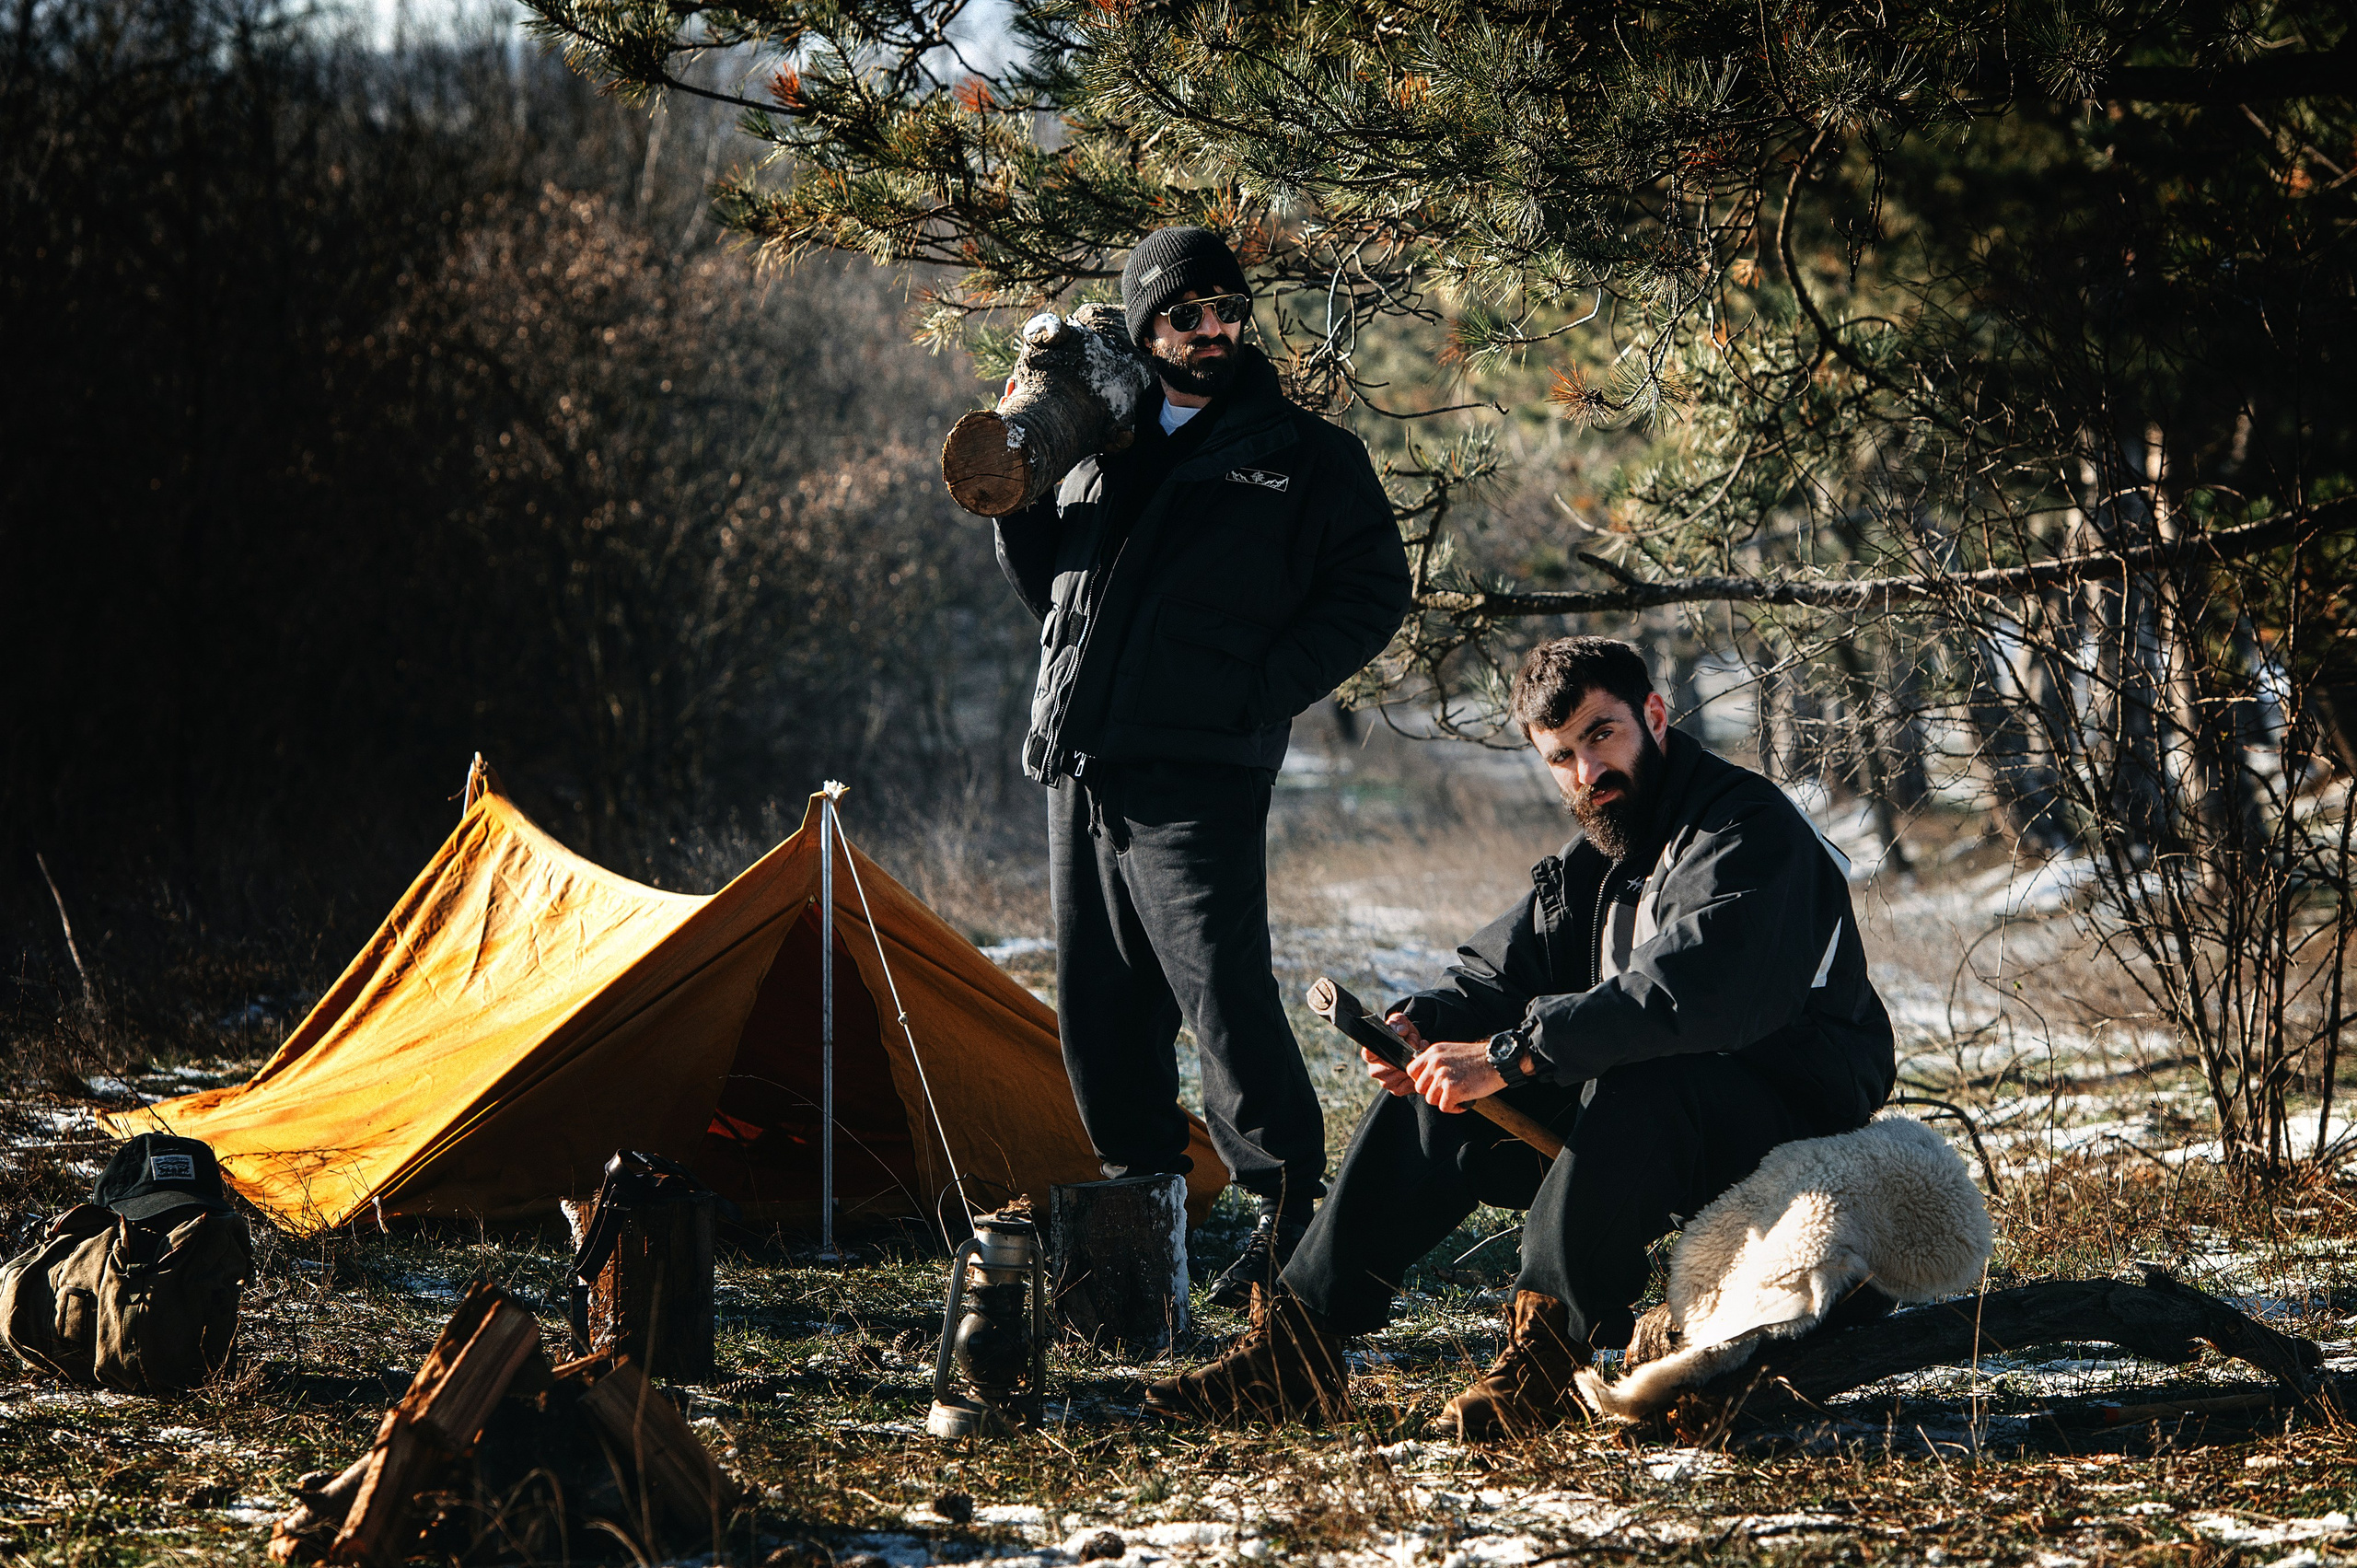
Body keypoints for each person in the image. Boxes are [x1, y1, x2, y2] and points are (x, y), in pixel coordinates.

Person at [1144, 636, 1898, 1434]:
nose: (1585, 773)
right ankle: (1299, 1350)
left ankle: (1546, 1355)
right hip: (1670, 1132)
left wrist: (1511, 1053)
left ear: (1654, 715)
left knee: (1637, 1072)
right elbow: (1498, 976)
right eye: (1560, 755)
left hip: (1792, 1135)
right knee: (1439, 1089)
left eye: (1601, 735)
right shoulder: (1607, 845)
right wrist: (1426, 1027)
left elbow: (1691, 994)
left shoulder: (1747, 831)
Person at [991, 226, 1413, 1305]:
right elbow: (1052, 585)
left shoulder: (1301, 454)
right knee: (1098, 1007)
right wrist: (1026, 494)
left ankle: (1288, 1220)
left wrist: (1252, 691)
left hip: (1200, 772)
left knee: (1220, 993)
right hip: (1082, 765)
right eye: (1187, 314)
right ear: (1146, 326)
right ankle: (1138, 1222)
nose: (1215, 328)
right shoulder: (1102, 445)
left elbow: (1372, 593)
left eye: (1228, 307)